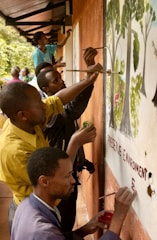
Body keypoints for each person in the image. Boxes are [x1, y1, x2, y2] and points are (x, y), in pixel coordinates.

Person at [0, 66, 100, 231]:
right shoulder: (15, 151)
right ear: (22, 114)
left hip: (46, 200)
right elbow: (54, 178)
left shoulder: (28, 120)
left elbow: (57, 100)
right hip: (34, 208)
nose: (44, 106)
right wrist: (74, 143)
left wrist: (88, 80)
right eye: (39, 104)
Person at [36, 47, 101, 231]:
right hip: (59, 175)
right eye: (56, 81)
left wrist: (82, 160)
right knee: (63, 221)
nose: (62, 83)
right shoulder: (48, 114)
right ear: (46, 89)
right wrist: (88, 80)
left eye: (60, 78)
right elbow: (72, 110)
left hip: (69, 169)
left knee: (68, 217)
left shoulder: (56, 109)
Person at [11, 147, 137, 240]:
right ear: (44, 181)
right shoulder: (42, 232)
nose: (73, 181)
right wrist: (118, 216)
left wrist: (86, 229)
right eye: (67, 176)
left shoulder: (26, 205)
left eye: (72, 174)